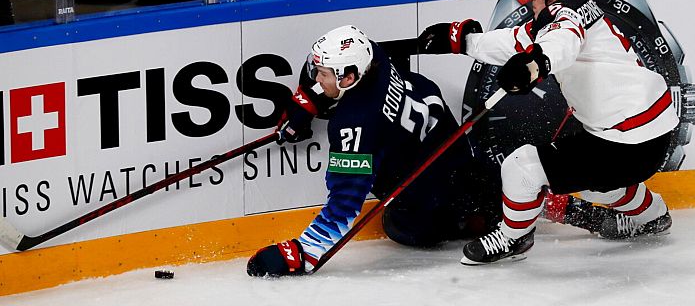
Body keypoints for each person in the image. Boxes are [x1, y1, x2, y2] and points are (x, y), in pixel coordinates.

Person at [246, 25, 616, 277]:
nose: (316, 77)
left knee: (401, 226)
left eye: (324, 74)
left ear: (348, 78)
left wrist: (301, 254)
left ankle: (486, 218)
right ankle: (561, 208)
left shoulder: (355, 125)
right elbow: (362, 66)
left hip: (430, 193)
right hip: (451, 150)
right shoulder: (375, 56)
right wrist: (310, 100)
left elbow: (345, 204)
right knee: (482, 183)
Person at [417, 0, 677, 265]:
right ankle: (654, 215)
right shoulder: (572, 15)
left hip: (624, 141)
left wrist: (536, 64)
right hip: (652, 136)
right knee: (599, 183)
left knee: (521, 166)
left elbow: (561, 44)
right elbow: (515, 42)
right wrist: (462, 42)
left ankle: (513, 237)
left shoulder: (566, 14)